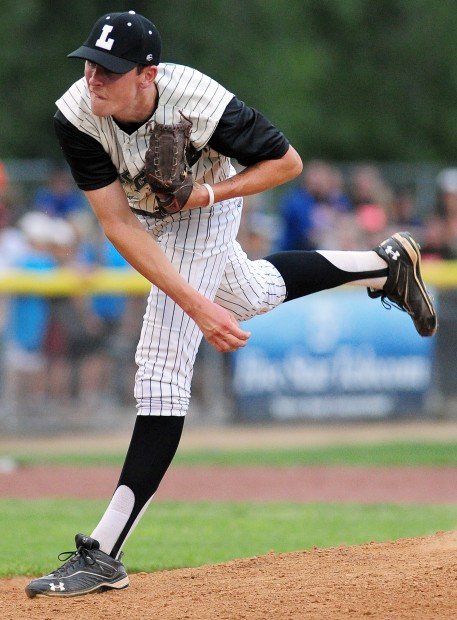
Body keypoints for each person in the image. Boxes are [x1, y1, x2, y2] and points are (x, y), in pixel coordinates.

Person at [25, 10, 437, 598]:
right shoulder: (77, 114)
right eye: (90, 63)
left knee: (161, 369)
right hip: (149, 217)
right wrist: (198, 302)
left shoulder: (200, 101)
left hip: (208, 199)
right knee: (247, 294)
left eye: (110, 71)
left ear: (149, 74)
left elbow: (287, 163)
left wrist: (209, 195)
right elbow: (117, 223)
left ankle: (105, 552)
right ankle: (386, 263)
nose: (93, 78)